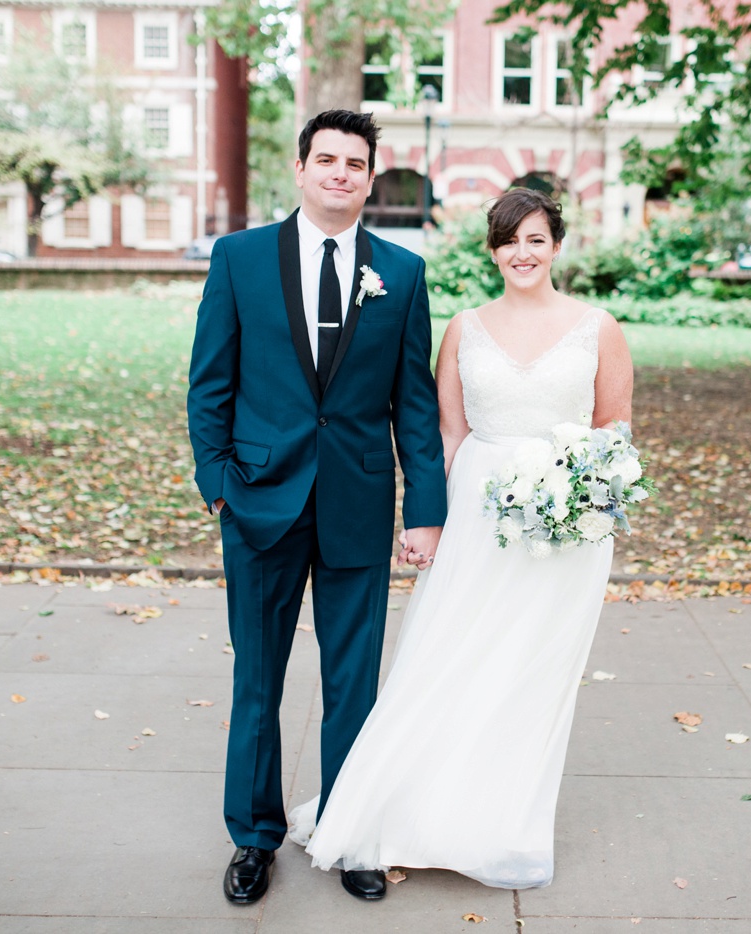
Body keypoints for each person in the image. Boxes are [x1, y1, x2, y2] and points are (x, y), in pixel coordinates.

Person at [290, 188, 635, 889]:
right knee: (446, 660)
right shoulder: (463, 328)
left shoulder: (599, 327)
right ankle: (406, 814)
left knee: (530, 678)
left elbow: (615, 430)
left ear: (557, 246)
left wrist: (580, 497)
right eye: (509, 240)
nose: (523, 253)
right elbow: (444, 434)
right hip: (481, 516)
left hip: (566, 532)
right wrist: (429, 522)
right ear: (493, 249)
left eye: (536, 239)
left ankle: (500, 827)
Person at [186, 110, 447, 905]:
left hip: (358, 504)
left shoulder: (401, 273)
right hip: (260, 501)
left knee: (354, 683)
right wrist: (220, 483)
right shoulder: (238, 260)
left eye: (355, 163)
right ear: (300, 169)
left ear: (371, 179)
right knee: (257, 682)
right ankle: (254, 837)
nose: (340, 172)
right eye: (326, 159)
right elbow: (209, 385)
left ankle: (348, 828)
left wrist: (424, 510)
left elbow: (415, 404)